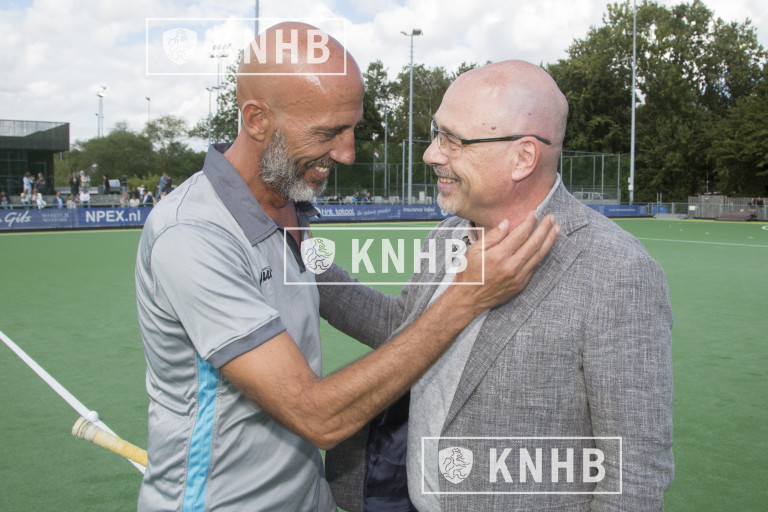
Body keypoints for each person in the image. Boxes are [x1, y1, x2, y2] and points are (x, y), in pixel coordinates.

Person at [134, 24, 558, 512]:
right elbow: (315, 415)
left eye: (352, 127)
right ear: (257, 120)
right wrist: (464, 299)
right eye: (327, 133)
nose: (347, 152)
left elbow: (388, 321)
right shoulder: (192, 235)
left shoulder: (287, 202)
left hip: (309, 496)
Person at [319, 60, 674, 511]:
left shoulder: (616, 269)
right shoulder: (447, 236)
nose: (431, 154)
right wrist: (305, 263)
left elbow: (634, 472)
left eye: (453, 139)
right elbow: (405, 330)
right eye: (436, 134)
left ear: (523, 157)